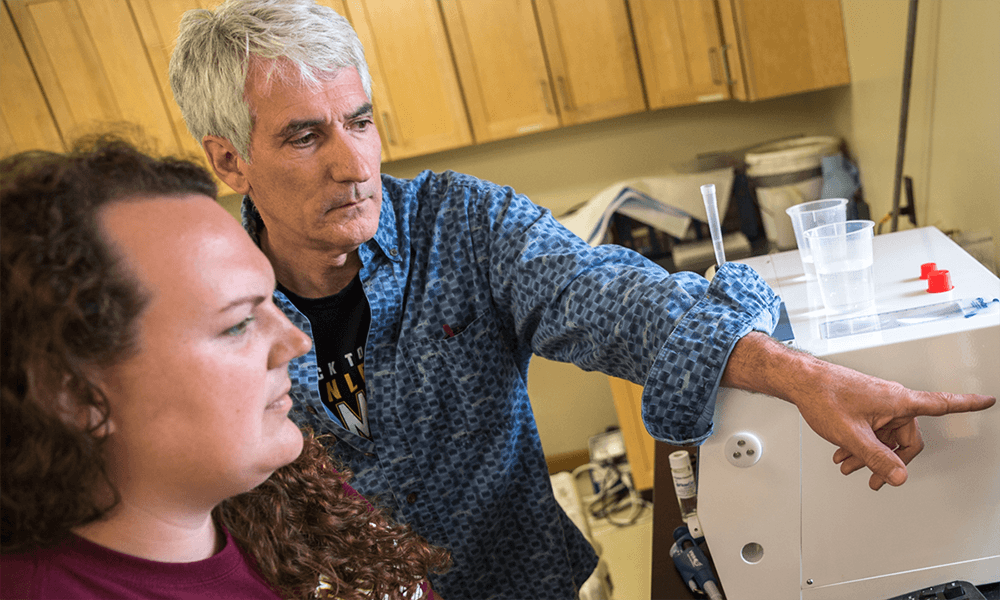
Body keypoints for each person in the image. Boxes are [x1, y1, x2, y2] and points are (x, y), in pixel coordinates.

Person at [168, 1, 996, 597]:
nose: (354, 165)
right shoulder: (206, 302)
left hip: (521, 582)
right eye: (305, 136)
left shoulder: (464, 221)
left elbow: (606, 297)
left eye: (360, 121)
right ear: (229, 160)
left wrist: (795, 373)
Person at [0, 137, 450, 600]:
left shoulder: (284, 489)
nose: (296, 342)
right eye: (237, 324)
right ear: (74, 394)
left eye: (270, 301)